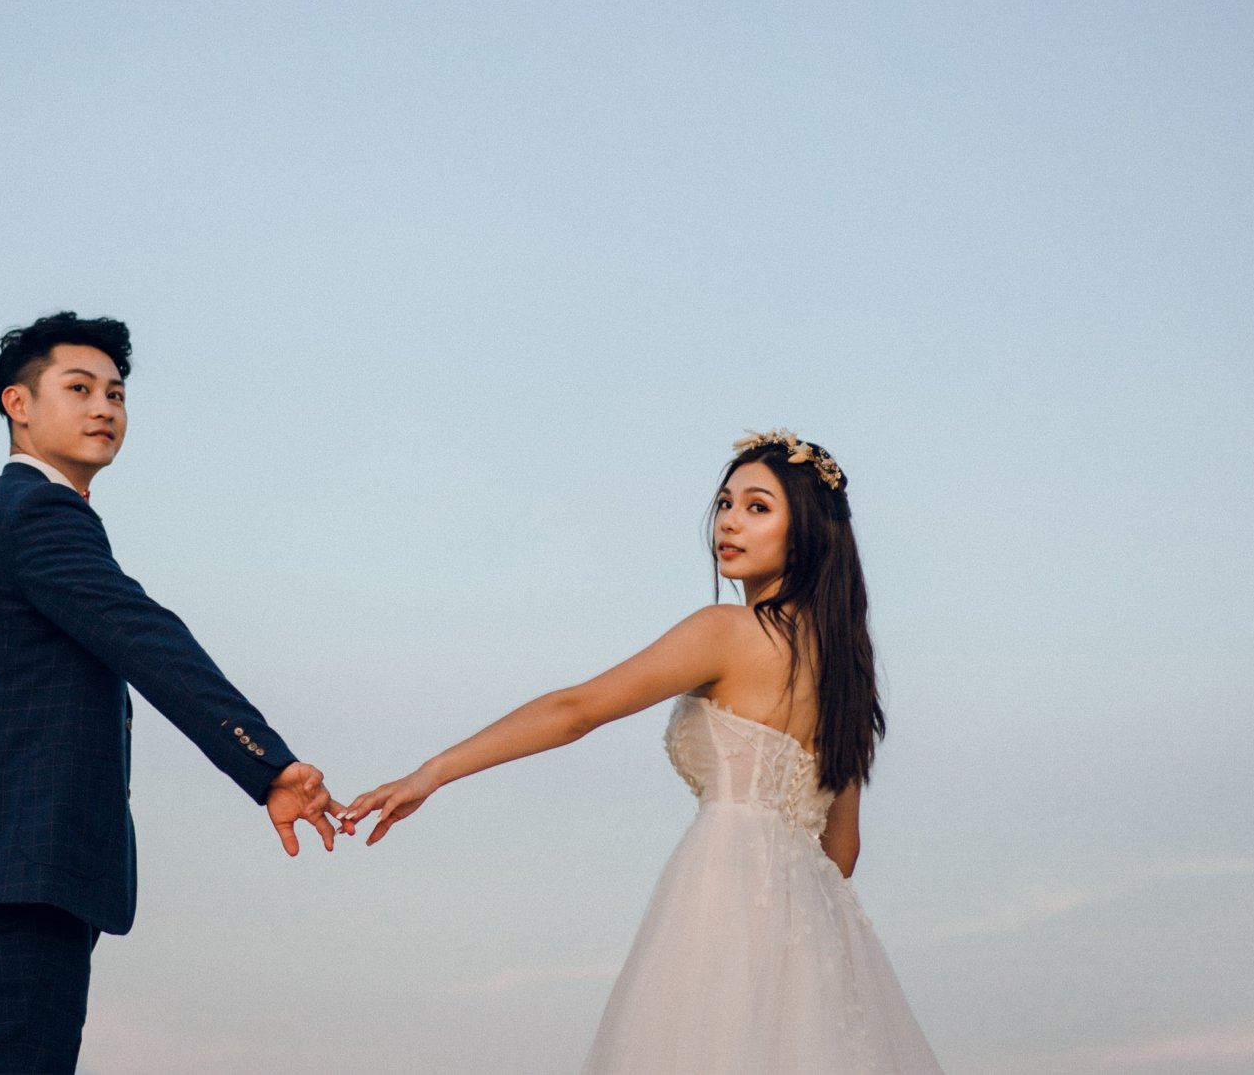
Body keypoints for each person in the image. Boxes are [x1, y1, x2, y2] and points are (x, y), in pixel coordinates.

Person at [340, 430, 944, 1073]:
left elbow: (576, 711)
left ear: (807, 534)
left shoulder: (727, 631)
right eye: (725, 502)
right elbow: (842, 851)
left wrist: (431, 773)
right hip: (814, 927)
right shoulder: (848, 674)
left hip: (726, 890)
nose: (729, 522)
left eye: (758, 507)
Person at [0, 312, 342, 1073]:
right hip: (19, 880)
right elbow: (142, 634)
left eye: (117, 393)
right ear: (17, 404)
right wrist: (265, 763)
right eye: (79, 387)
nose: (105, 407)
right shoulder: (38, 511)